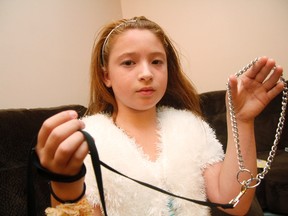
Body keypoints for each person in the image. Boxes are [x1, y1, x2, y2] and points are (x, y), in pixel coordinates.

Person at [35, 16, 284, 215]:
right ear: (106, 76)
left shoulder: (190, 126)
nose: (146, 73)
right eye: (128, 63)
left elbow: (235, 202)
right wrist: (63, 184)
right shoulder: (87, 140)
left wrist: (241, 120)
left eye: (156, 61)